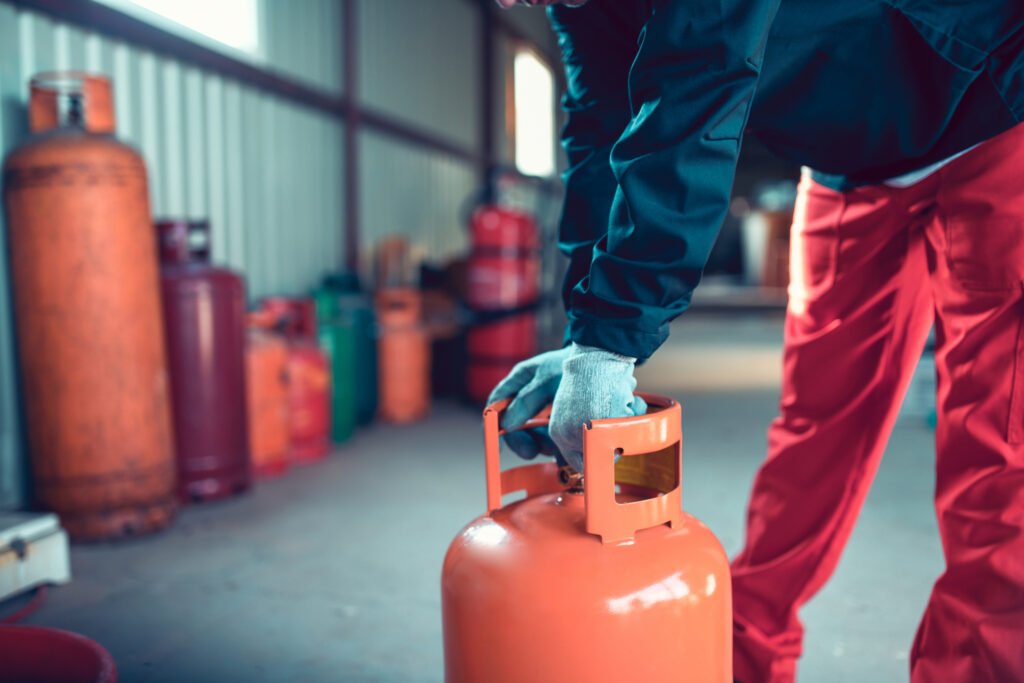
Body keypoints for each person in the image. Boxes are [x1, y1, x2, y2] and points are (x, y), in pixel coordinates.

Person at [487, 1, 1024, 681]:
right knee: (812, 433)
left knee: (1001, 451)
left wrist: (612, 339)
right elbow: (602, 126)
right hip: (846, 161)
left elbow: (701, 79)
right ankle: (742, 659)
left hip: (989, 108)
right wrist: (582, 337)